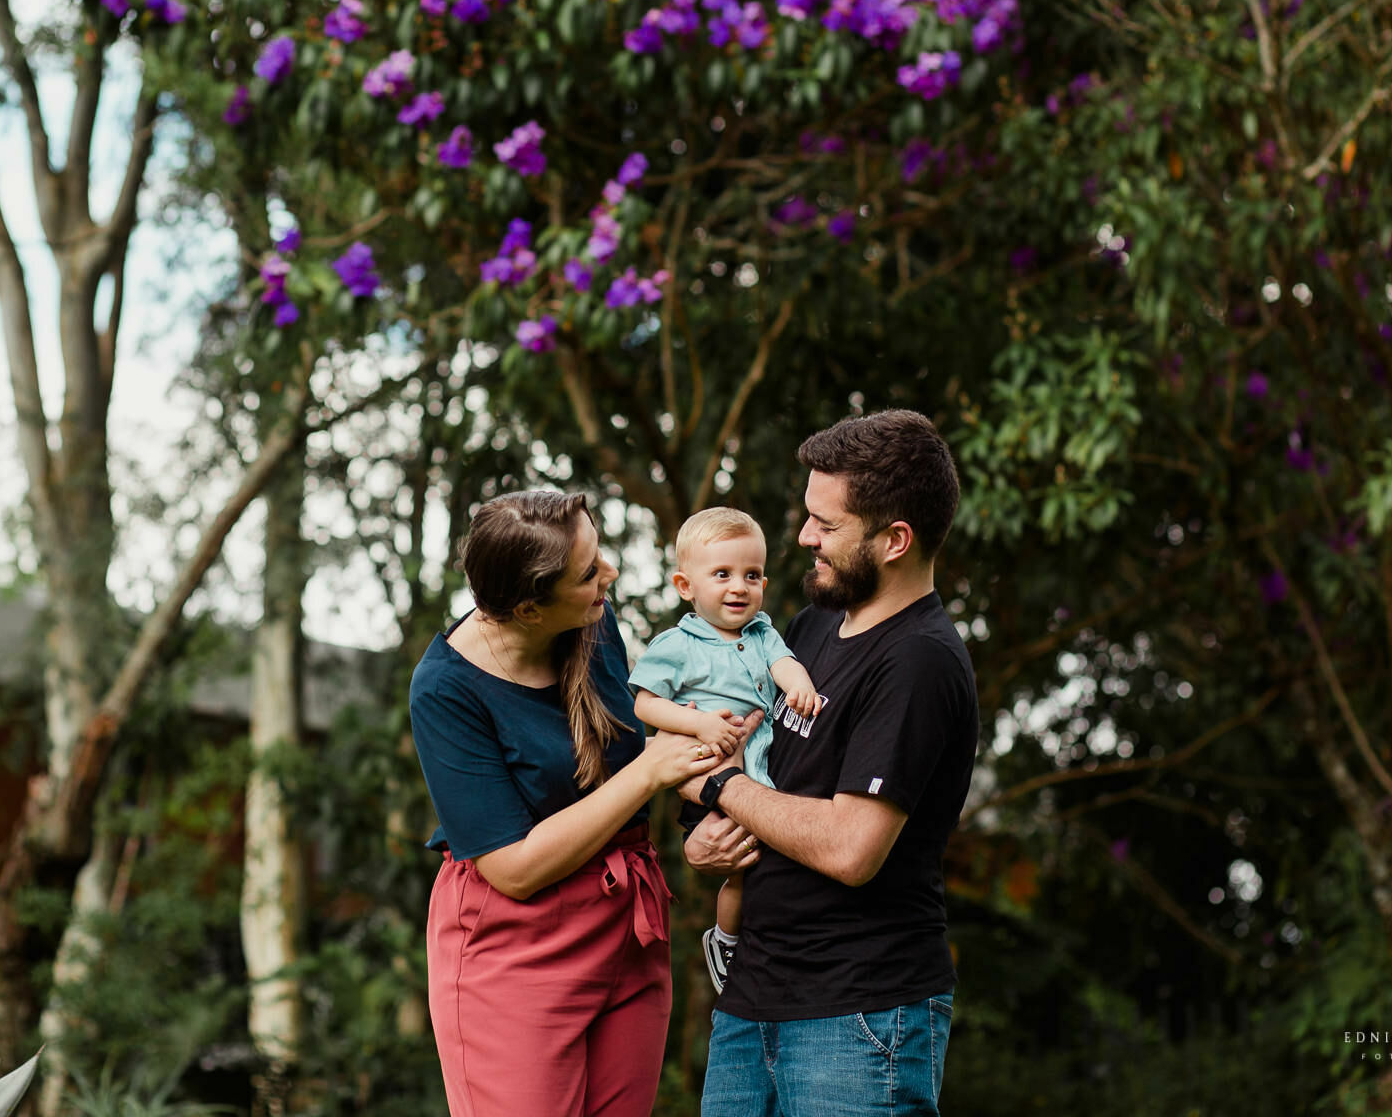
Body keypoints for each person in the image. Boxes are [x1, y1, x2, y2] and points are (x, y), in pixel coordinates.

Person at [680, 409, 981, 1116]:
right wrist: (702, 830)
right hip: (752, 1003)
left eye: (827, 523)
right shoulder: (812, 625)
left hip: (860, 1017)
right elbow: (748, 756)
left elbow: (851, 847)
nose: (804, 536)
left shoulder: (919, 661)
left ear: (895, 539)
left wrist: (723, 788)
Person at [409, 489, 721, 1117]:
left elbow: (635, 743)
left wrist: (708, 811)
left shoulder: (590, 619)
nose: (609, 575)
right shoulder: (445, 689)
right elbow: (513, 868)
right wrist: (649, 775)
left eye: (598, 555)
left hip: (625, 922)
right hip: (513, 947)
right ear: (529, 608)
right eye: (588, 573)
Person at [628, 506, 824, 993]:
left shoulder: (762, 634)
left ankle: (760, 940)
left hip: (761, 773)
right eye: (723, 574)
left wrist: (799, 685)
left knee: (771, 864)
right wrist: (696, 722)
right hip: (709, 774)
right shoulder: (677, 644)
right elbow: (647, 706)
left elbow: (784, 664)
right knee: (739, 868)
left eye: (751, 575)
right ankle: (727, 939)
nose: (739, 587)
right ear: (685, 586)